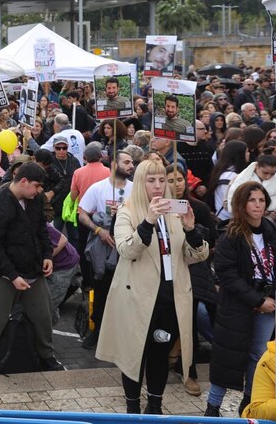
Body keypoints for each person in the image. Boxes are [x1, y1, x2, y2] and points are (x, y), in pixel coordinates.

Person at [96, 160, 208, 415]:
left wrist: (191, 230)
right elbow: (126, 250)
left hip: (170, 299)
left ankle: (155, 406)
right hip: (137, 298)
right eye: (151, 181)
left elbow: (195, 256)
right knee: (134, 356)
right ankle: (132, 409)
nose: (158, 186)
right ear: (140, 183)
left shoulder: (176, 211)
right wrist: (147, 222)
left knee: (160, 353)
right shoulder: (127, 211)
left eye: (162, 181)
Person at [205, 181, 276, 417]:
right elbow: (227, 273)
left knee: (259, 355)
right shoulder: (231, 234)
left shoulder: (274, 233)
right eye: (252, 200)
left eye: (261, 200)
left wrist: (273, 298)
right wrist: (257, 300)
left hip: (269, 305)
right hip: (238, 305)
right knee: (228, 355)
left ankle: (250, 402)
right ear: (242, 203)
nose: (258, 205)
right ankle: (213, 406)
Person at [0, 162, 64, 375]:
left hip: (32, 270)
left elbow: (41, 230)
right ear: (23, 181)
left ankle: (46, 356)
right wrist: (13, 276)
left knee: (44, 316)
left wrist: (47, 255)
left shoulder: (34, 199)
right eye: (36, 185)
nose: (39, 190)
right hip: (3, 276)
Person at [77, 151, 135, 349]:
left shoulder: (135, 190)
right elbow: (82, 213)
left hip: (127, 251)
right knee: (102, 291)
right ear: (113, 164)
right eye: (126, 162)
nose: (131, 166)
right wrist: (98, 229)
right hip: (103, 251)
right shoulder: (98, 188)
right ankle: (98, 330)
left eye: (132, 162)